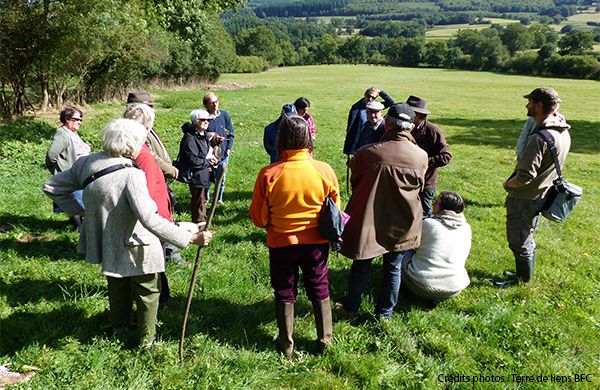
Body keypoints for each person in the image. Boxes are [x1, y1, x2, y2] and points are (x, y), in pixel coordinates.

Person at [43, 119, 213, 348]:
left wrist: (82, 212)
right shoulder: (132, 175)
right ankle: (147, 341)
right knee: (148, 291)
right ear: (133, 143)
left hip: (107, 240)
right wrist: (190, 237)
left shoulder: (87, 163)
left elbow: (51, 187)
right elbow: (149, 218)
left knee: (117, 284)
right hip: (138, 243)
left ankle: (119, 328)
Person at [250, 116, 340, 358]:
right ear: (308, 139)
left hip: (281, 243)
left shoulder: (269, 173)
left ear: (281, 139)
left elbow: (258, 218)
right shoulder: (324, 171)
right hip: (317, 244)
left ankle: (286, 345)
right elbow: (334, 212)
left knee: (284, 290)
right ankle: (325, 341)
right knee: (319, 288)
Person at [337, 103, 428, 319]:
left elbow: (355, 181)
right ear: (411, 128)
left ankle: (351, 308)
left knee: (361, 266)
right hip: (404, 221)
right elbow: (421, 188)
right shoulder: (421, 157)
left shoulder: (367, 154)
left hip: (371, 218)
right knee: (393, 268)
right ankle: (384, 314)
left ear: (387, 124)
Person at [498, 87, 571, 287]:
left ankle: (522, 280)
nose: (526, 105)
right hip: (542, 194)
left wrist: (508, 185)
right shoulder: (562, 132)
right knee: (527, 234)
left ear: (539, 105)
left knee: (518, 239)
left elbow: (525, 175)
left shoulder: (539, 138)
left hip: (525, 198)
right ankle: (523, 276)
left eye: (530, 101)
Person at [123, 103, 178, 302]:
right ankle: (158, 300)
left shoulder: (134, 149)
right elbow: (144, 192)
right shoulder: (142, 154)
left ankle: (157, 297)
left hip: (151, 215)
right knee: (155, 262)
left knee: (155, 260)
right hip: (152, 217)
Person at [127, 92, 184, 264]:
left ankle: (167, 254)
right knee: (159, 217)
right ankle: (165, 256)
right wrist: (171, 170)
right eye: (148, 107)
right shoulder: (136, 136)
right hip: (154, 189)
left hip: (160, 180)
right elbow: (151, 157)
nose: (152, 110)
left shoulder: (146, 129)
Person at [402, 191, 472, 304]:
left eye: (437, 202)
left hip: (421, 285)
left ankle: (404, 286)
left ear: (443, 208)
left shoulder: (429, 224)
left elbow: (412, 245)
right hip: (454, 289)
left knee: (404, 248)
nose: (433, 204)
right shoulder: (467, 228)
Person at [45, 106, 91, 231]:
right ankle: (80, 226)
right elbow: (51, 155)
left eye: (81, 120)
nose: (79, 122)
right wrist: (57, 169)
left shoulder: (72, 133)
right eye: (76, 119)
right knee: (75, 198)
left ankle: (81, 226)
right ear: (67, 119)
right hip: (70, 172)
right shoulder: (63, 135)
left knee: (79, 197)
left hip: (80, 172)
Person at [406, 95, 452, 217]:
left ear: (419, 115)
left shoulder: (433, 131)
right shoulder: (406, 128)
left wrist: (422, 162)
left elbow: (446, 156)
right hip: (407, 181)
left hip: (425, 183)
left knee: (425, 216)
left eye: (410, 112)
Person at [178, 109, 219, 224]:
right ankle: (199, 227)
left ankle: (203, 225)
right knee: (199, 202)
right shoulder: (189, 138)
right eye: (203, 120)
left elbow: (205, 153)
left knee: (203, 200)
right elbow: (192, 160)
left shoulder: (203, 135)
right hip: (196, 176)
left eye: (208, 120)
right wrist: (208, 161)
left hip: (204, 174)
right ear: (195, 122)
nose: (206, 122)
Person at [342, 87, 394, 157]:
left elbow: (391, 103)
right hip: (360, 139)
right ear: (364, 95)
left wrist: (381, 92)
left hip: (372, 138)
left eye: (373, 98)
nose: (370, 99)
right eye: (368, 96)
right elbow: (351, 127)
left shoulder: (376, 107)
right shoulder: (356, 108)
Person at [204, 92, 234, 204]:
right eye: (212, 103)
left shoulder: (224, 115)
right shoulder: (205, 118)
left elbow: (231, 133)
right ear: (206, 105)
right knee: (207, 178)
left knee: (221, 179)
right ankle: (206, 200)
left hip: (223, 154)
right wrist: (211, 137)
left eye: (216, 101)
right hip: (209, 155)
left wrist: (228, 149)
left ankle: (218, 199)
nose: (215, 105)